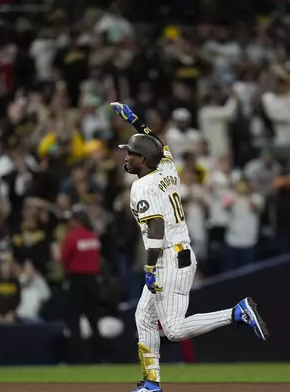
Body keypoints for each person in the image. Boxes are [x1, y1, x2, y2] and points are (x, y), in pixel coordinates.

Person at [110, 102, 269, 392]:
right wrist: (134, 120)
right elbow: (157, 144)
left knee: (173, 329)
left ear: (142, 160)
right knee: (142, 317)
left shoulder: (142, 187)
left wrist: (149, 266)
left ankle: (237, 313)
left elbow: (156, 227)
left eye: (131, 153)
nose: (127, 156)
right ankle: (151, 383)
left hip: (167, 258)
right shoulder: (167, 166)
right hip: (178, 253)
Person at [59, 209, 102, 363]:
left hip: (77, 280)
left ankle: (76, 358)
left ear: (77, 222)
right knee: (93, 319)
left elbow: (63, 258)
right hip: (93, 281)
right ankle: (97, 357)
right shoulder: (93, 237)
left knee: (74, 320)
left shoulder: (72, 237)